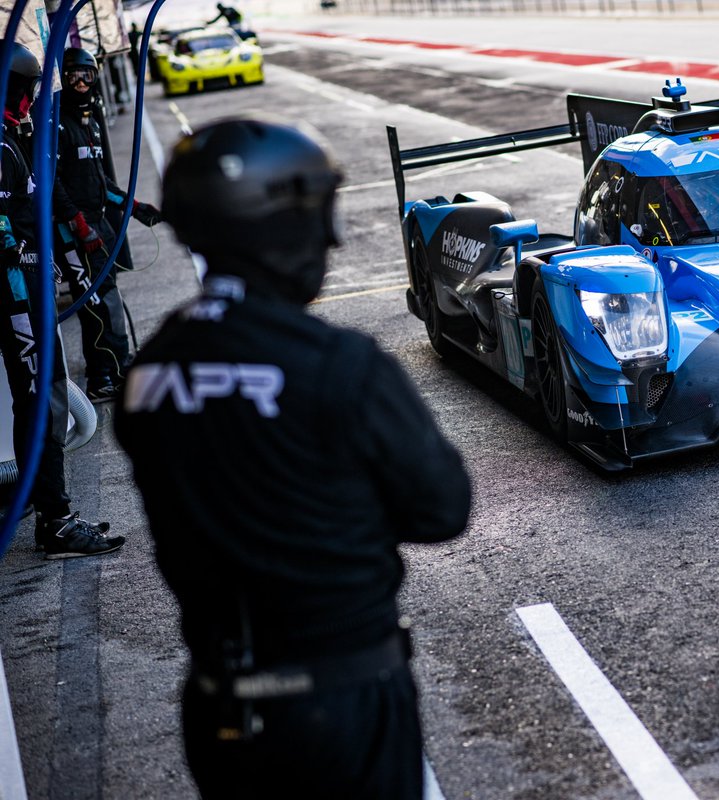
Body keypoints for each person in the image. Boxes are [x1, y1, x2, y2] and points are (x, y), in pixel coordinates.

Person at [114, 115, 471, 799]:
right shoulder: (339, 365)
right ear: (275, 226)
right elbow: (442, 508)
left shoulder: (148, 370)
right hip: (343, 703)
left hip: (220, 709)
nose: (329, 239)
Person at [1, 44, 124, 558]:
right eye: (28, 91)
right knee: (42, 402)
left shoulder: (12, 140)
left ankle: (46, 505)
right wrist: (25, 280)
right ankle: (55, 522)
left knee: (45, 401)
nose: (32, 101)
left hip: (28, 293)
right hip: (17, 300)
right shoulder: (2, 146)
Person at [54, 47, 162, 402]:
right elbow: (52, 185)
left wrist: (135, 207)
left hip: (100, 227)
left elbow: (102, 184)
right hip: (75, 234)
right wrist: (78, 225)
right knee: (98, 305)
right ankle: (102, 378)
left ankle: (118, 366)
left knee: (109, 300)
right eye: (72, 76)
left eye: (87, 74)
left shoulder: (92, 122)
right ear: (63, 80)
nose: (81, 82)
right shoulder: (56, 124)